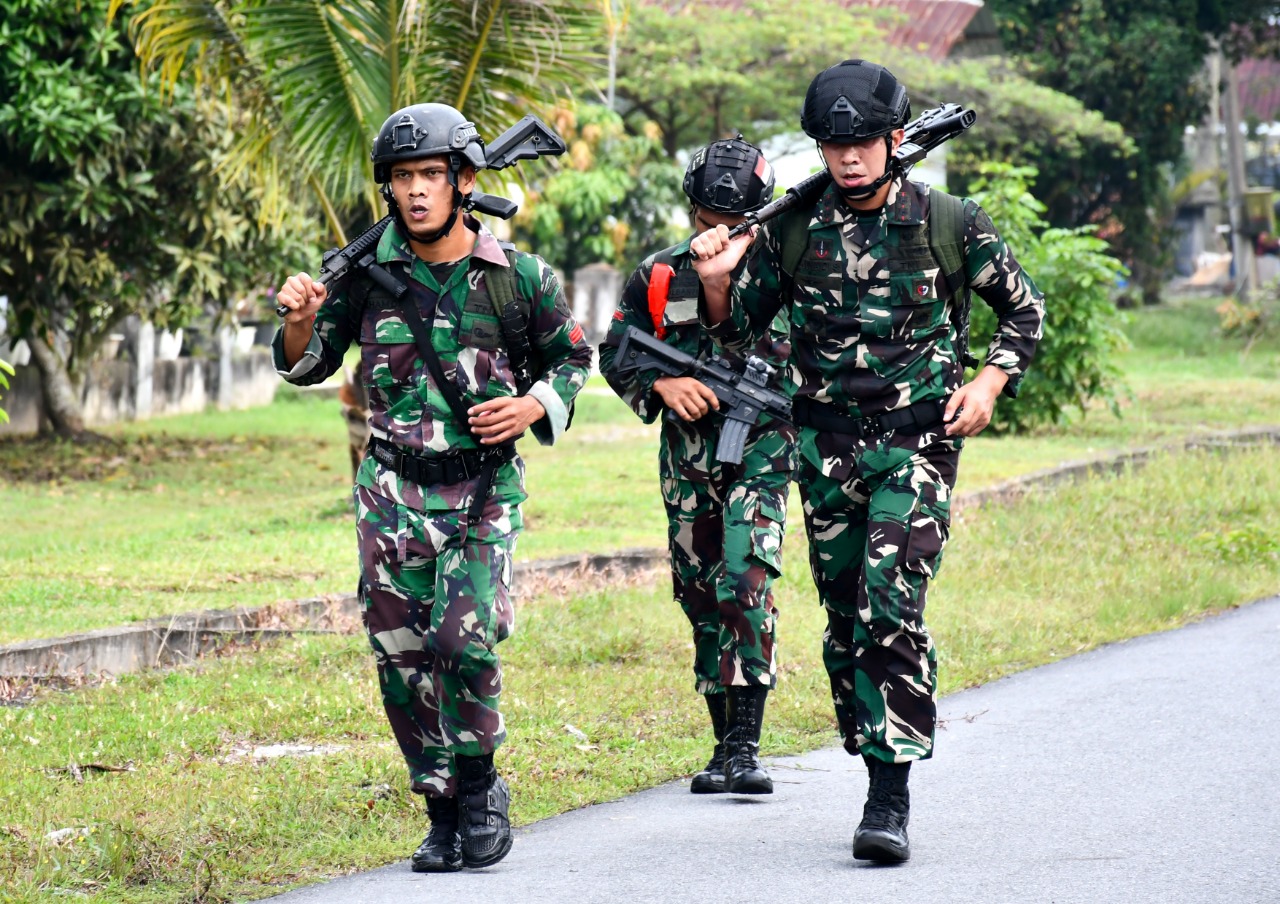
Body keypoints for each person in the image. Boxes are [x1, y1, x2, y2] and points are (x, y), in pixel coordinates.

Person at [689, 60, 1045, 861]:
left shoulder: (950, 220)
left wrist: (991, 379)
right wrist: (716, 282)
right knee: (847, 621)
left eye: (861, 143)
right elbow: (738, 330)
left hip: (917, 445)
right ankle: (872, 727)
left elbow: (1024, 310)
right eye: (831, 145)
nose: (848, 159)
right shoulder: (791, 228)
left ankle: (888, 797)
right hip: (824, 450)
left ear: (894, 140)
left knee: (890, 607)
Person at [273, 103, 592, 872]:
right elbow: (308, 365)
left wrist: (532, 406)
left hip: (482, 489)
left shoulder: (516, 276)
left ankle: (481, 787)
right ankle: (441, 808)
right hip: (388, 489)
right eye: (401, 178)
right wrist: (296, 319)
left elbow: (574, 358)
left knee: (462, 636)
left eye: (429, 176)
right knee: (401, 652)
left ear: (464, 181)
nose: (414, 192)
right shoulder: (364, 275)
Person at [599, 136, 795, 796]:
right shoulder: (659, 274)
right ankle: (719, 744)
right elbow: (616, 352)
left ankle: (745, 746)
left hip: (763, 449)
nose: (717, 236)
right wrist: (659, 388)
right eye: (707, 222)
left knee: (745, 580)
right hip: (687, 460)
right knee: (699, 591)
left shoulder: (785, 271)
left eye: (733, 223)